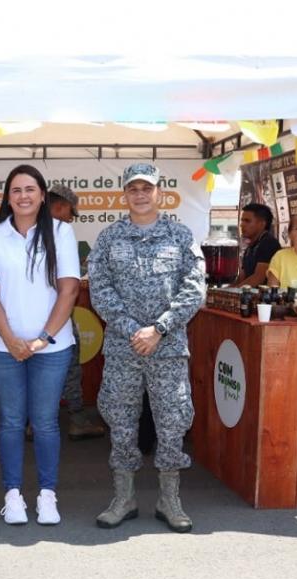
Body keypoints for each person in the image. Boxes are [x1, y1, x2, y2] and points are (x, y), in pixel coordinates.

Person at [88, 163, 206, 533]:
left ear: (160, 193)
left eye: (147, 188)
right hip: (124, 349)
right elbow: (100, 290)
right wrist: (132, 330)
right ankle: (124, 498)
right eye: (133, 189)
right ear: (124, 195)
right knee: (121, 420)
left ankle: (169, 500)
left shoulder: (180, 236)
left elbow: (195, 289)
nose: (140, 194)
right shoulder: (108, 238)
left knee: (172, 421)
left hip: (168, 348)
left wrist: (158, 329)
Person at [0, 166, 80, 526]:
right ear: (8, 197)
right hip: (1, 346)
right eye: (16, 190)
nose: (23, 196)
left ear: (42, 195)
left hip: (51, 347)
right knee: (10, 421)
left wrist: (42, 339)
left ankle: (47, 495)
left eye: (30, 189)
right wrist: (10, 340)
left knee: (46, 423)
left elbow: (69, 289)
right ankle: (13, 495)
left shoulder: (62, 232)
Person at [46, 184, 106, 441]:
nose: (71, 218)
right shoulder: (61, 229)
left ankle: (32, 422)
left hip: (29, 311)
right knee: (70, 360)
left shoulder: (25, 228)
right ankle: (77, 418)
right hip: (57, 308)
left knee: (36, 365)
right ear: (59, 206)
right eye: (70, 211)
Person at [234, 202, 280, 287]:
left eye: (247, 221)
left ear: (262, 224)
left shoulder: (269, 243)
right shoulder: (250, 248)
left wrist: (232, 291)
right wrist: (222, 291)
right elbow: (241, 278)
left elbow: (258, 278)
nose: (242, 224)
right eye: (242, 220)